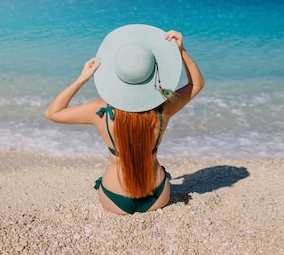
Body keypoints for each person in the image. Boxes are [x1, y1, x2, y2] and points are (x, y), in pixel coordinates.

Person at [45, 24, 204, 215]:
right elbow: (196, 84)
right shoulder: (164, 109)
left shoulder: (100, 111)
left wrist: (82, 79)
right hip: (158, 195)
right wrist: (180, 50)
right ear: (153, 72)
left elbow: (53, 113)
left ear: (116, 75)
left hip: (114, 197)